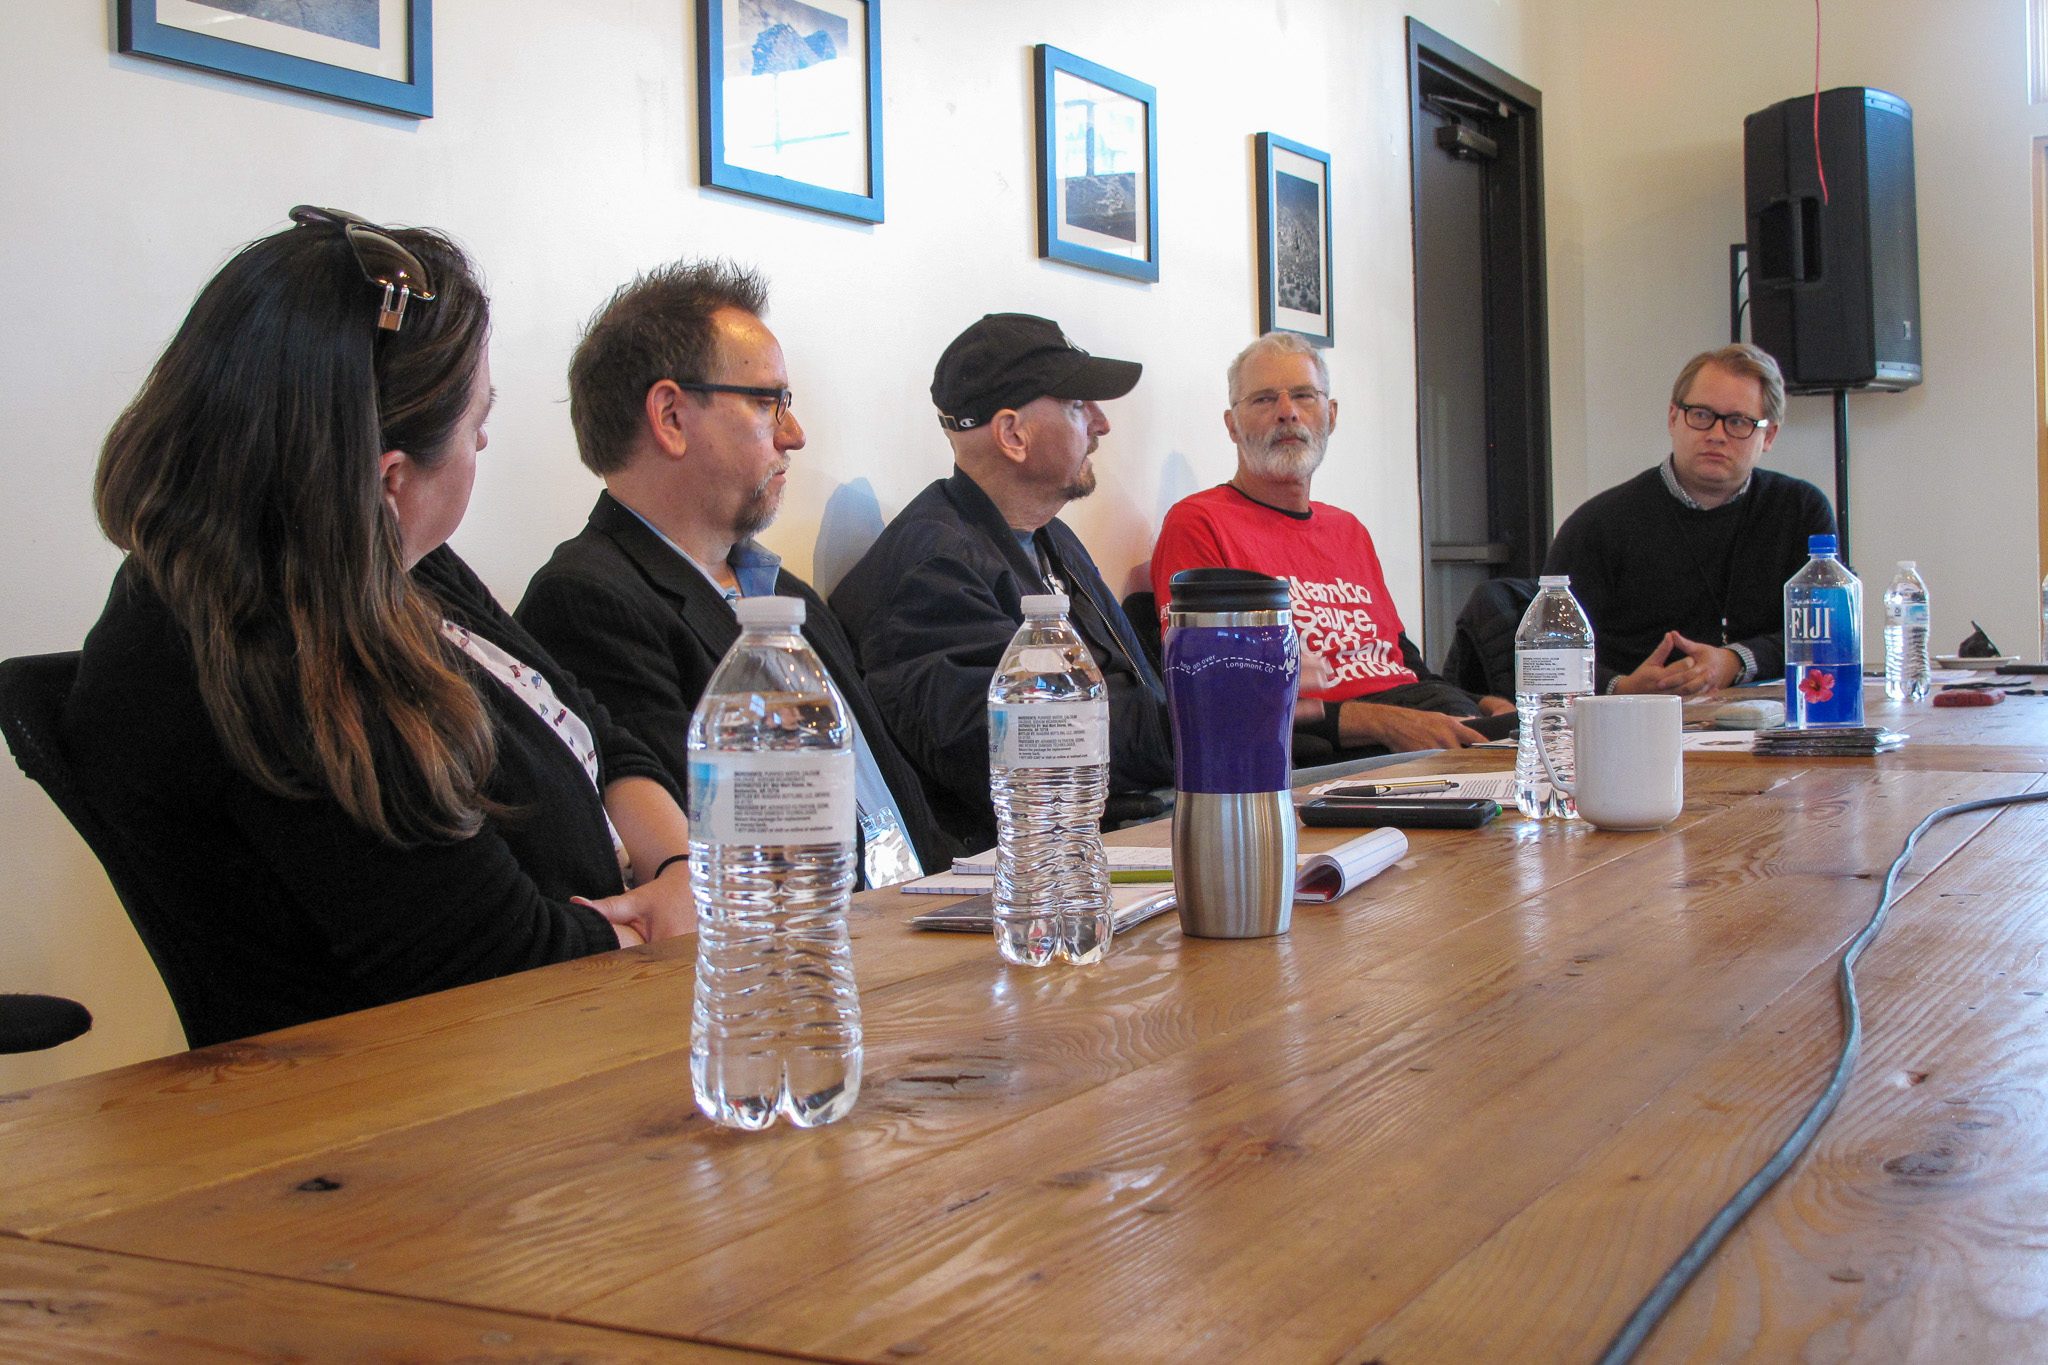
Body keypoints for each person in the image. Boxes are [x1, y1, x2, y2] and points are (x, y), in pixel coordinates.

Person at [62, 207, 694, 1047]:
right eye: (477, 427)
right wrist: (663, 927)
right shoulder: (252, 648)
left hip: (573, 1025)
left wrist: (680, 874)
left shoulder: (387, 560)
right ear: (390, 480)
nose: (483, 446)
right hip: (424, 1099)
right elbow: (499, 963)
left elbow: (603, 736)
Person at [515, 260, 950, 888]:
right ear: (670, 417)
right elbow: (713, 862)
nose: (795, 435)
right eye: (768, 403)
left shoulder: (784, 595)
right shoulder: (588, 602)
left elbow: (894, 803)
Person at [829, 313, 1173, 851]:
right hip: (1037, 873)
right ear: (1013, 434)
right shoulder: (932, 567)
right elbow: (1011, 744)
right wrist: (1205, 716)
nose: (1102, 424)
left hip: (1126, 827)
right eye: (1079, 405)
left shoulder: (1049, 537)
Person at [1150, 331, 1513, 756]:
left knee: (1562, 729)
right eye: (1264, 400)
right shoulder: (1200, 522)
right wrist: (1384, 722)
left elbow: (1398, 661)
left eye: (1304, 395)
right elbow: (1218, 689)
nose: (1287, 413)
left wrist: (1478, 700)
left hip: (1422, 718)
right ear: (1232, 425)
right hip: (1340, 746)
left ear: (1331, 414)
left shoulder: (1349, 530)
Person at [1544, 343, 1835, 696]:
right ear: (1672, 417)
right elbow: (1549, 655)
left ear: (1768, 435)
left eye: (1738, 422)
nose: (1715, 434)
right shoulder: (1598, 525)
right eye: (1700, 415)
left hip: (1768, 718)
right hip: (1631, 726)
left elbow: (1829, 632)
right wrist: (1621, 687)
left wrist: (1736, 661)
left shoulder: (1800, 511)